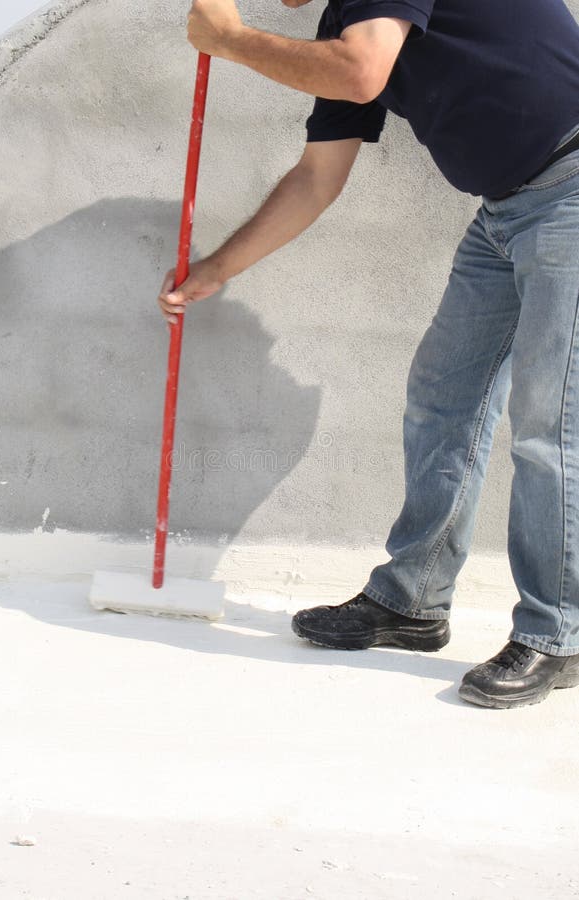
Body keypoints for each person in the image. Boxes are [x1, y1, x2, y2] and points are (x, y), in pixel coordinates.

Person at [158, 0, 579, 709]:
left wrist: (229, 42)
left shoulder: (357, 37)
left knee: (549, 419)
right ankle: (411, 602)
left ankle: (557, 634)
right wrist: (218, 269)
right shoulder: (344, 21)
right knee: (445, 398)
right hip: (506, 210)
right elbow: (317, 177)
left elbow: (360, 75)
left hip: (570, 187)